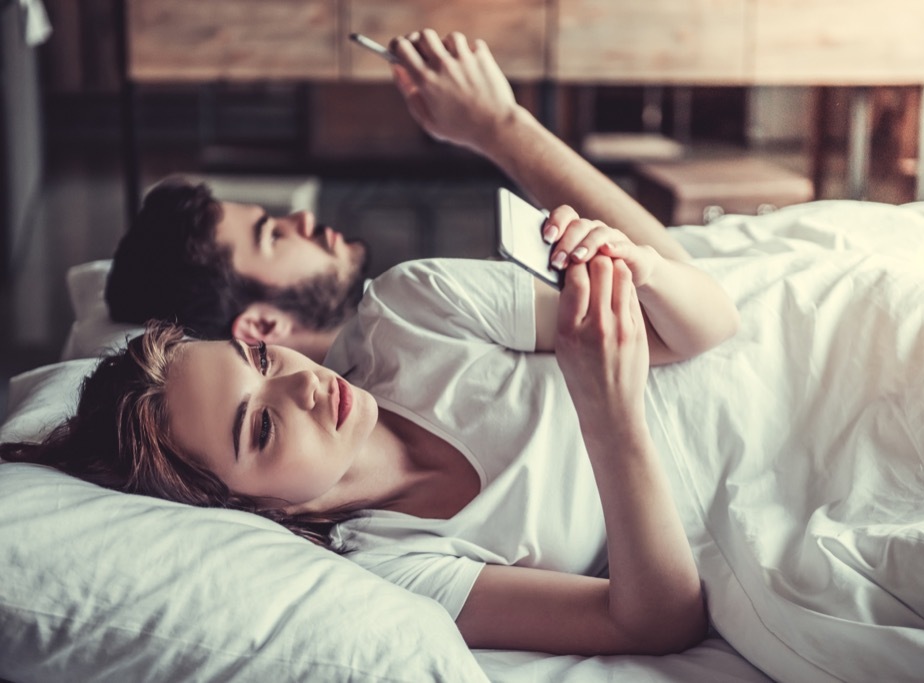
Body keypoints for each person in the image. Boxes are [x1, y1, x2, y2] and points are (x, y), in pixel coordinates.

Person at [1, 197, 741, 656]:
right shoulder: (393, 566)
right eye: (259, 428)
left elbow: (708, 326)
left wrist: (633, 264)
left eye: (261, 356)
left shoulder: (414, 310)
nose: (304, 385)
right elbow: (655, 623)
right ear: (258, 507)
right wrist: (611, 422)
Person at [105, 29, 708, 362]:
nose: (303, 218)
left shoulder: (386, 338)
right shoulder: (411, 308)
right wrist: (500, 126)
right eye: (272, 234)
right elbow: (695, 303)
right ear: (261, 323)